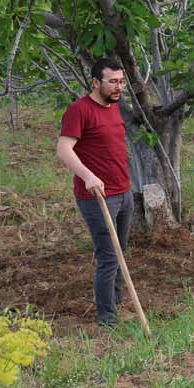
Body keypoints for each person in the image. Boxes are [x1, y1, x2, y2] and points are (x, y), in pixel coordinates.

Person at [56, 57, 132, 328]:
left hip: (123, 192)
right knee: (109, 256)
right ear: (96, 82)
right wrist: (87, 176)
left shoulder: (114, 107)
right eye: (112, 81)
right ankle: (107, 319)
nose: (118, 87)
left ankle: (118, 304)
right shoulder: (79, 110)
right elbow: (64, 149)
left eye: (121, 81)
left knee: (120, 251)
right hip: (97, 197)